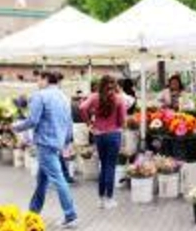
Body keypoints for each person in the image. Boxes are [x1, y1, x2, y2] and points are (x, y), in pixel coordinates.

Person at [12, 71, 78, 229]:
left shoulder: (39, 96)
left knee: (58, 179)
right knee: (42, 181)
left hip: (45, 143)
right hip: (57, 143)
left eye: (39, 80)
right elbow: (69, 122)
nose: (37, 83)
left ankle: (71, 215)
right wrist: (67, 141)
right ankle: (33, 211)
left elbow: (33, 120)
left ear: (46, 79)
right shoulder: (63, 97)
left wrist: (16, 127)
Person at [80, 75, 127, 209]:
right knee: (110, 167)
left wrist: (89, 124)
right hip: (114, 135)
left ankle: (100, 199)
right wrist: (118, 125)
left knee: (103, 166)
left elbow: (82, 108)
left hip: (99, 135)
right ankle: (109, 199)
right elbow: (122, 120)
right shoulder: (119, 99)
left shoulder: (94, 97)